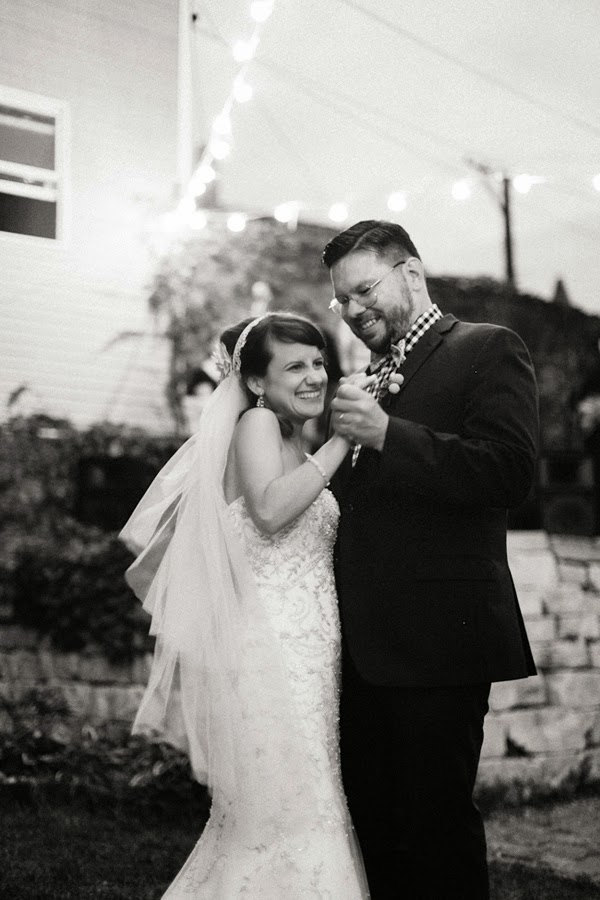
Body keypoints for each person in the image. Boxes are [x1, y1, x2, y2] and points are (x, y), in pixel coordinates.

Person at [322, 220, 539, 900]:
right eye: (342, 300)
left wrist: (390, 435)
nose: (353, 310)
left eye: (364, 291)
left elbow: (510, 473)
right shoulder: (365, 379)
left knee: (435, 830)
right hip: (363, 650)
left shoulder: (486, 348)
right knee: (375, 828)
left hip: (441, 642)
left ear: (411, 274)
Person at [120, 312, 369, 898]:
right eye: (295, 366)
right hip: (271, 655)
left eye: (318, 363)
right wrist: (343, 439)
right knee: (285, 814)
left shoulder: (290, 439)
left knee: (301, 806)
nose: (315, 377)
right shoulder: (256, 423)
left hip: (307, 656)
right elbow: (271, 510)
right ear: (256, 382)